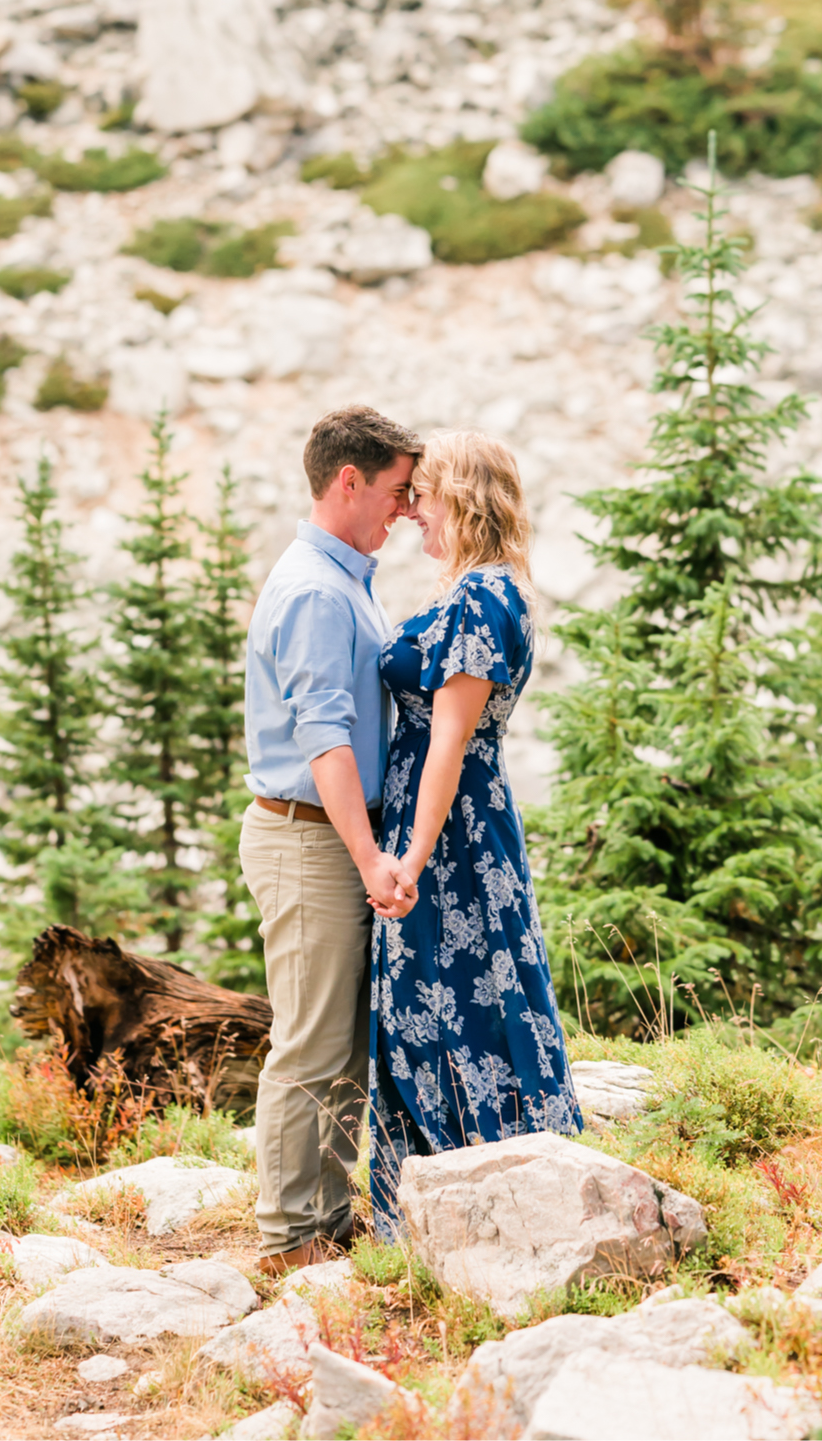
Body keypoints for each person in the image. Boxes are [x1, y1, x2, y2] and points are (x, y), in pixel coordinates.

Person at [369, 429, 582, 1235]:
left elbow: (449, 743)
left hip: (449, 831)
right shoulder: (480, 593)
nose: (413, 512)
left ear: (459, 496)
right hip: (446, 819)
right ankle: (443, 1201)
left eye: (423, 496)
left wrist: (410, 857)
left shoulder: (482, 599)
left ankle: (485, 1198)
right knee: (446, 998)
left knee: (455, 998)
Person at [239, 404, 425, 1274]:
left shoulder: (345, 575)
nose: (405, 506)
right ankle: (286, 1237)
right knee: (311, 1041)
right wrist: (368, 855)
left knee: (342, 1039)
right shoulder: (317, 590)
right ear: (346, 481)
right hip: (307, 836)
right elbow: (326, 736)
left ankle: (323, 1214)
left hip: (327, 833)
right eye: (396, 490)